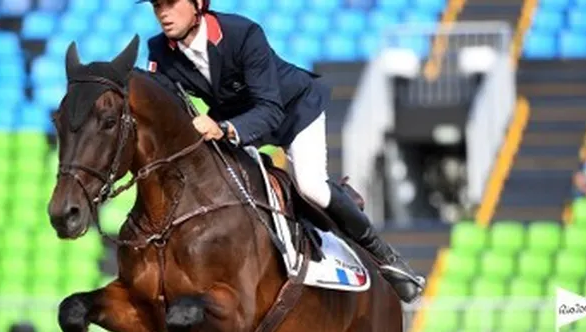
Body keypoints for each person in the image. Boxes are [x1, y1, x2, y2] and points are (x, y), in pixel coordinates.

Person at [140, 0, 424, 302]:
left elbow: (270, 110)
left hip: (292, 111)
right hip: (233, 119)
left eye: (171, 3)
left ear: (199, 3)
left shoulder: (243, 33)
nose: (163, 14)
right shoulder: (159, 50)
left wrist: (224, 130)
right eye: (158, 6)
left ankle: (386, 257)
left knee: (310, 186)